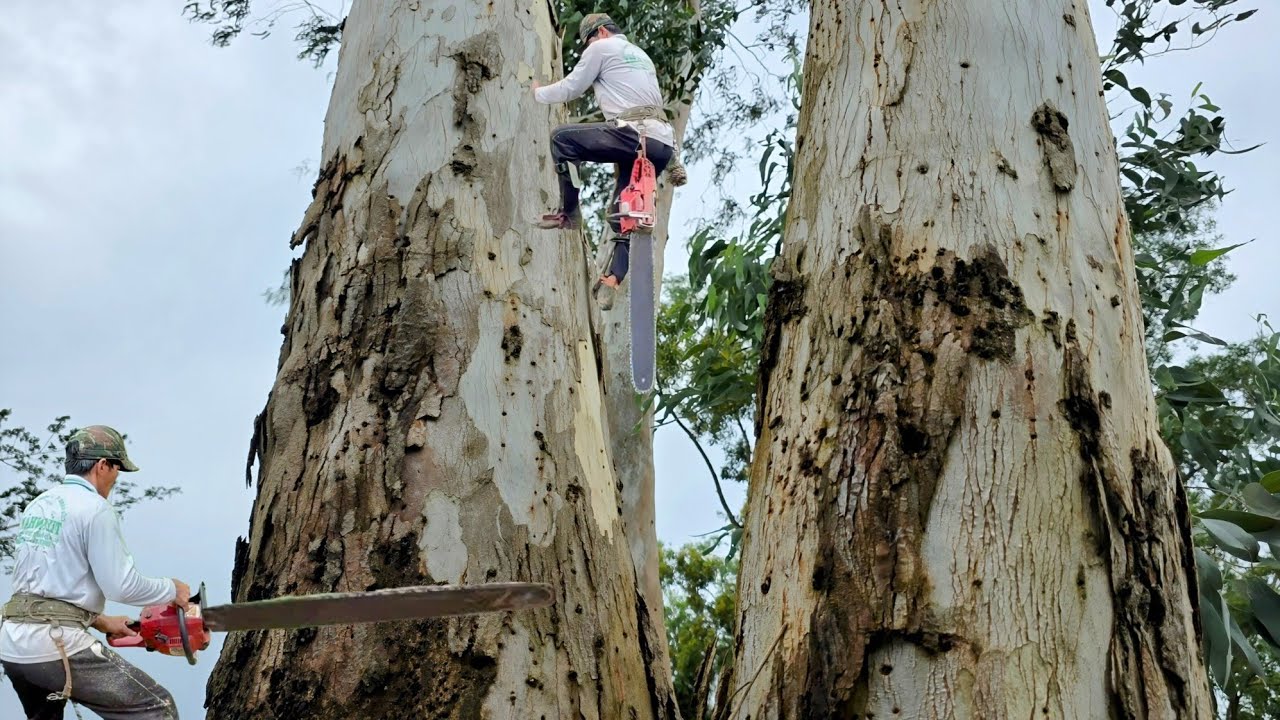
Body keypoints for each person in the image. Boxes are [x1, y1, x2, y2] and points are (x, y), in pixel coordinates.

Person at [1, 425, 191, 719]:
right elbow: (122, 587)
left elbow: (45, 584)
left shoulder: (39, 505)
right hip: (53, 644)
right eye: (117, 469)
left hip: (13, 644)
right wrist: (172, 589)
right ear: (103, 465)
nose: (116, 478)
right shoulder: (95, 509)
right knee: (156, 708)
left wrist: (100, 621)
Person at [532, 13, 677, 293]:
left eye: (587, 42)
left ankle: (569, 212)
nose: (588, 49)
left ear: (600, 32)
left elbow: (572, 87)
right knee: (624, 207)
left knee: (562, 139)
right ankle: (614, 277)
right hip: (661, 143)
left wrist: (537, 93)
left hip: (634, 134)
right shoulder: (640, 54)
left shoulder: (601, 47)